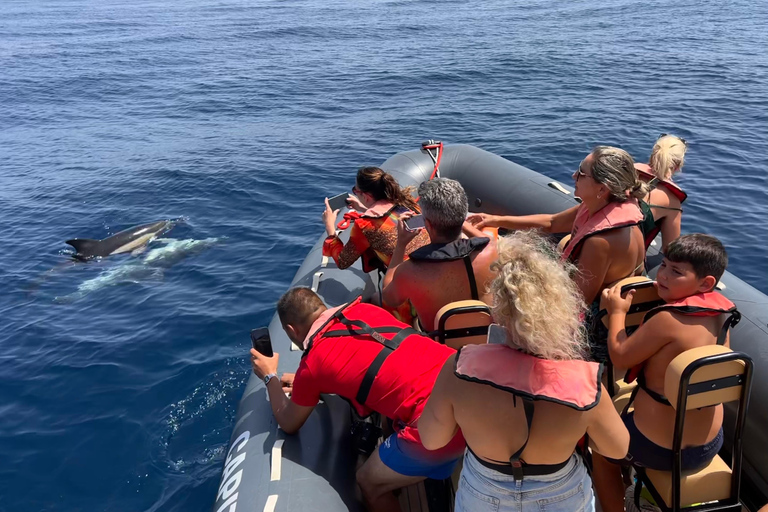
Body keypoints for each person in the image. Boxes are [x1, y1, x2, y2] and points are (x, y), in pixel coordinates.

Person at [417, 231, 629, 512]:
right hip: (560, 494)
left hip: (484, 491)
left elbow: (432, 440)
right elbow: (617, 449)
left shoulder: (459, 367)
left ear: (499, 308)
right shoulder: (585, 381)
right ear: (562, 308)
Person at [249, 287, 465, 512]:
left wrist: (269, 376)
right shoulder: (365, 310)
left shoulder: (313, 364)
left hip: (438, 429)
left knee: (368, 482)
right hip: (466, 393)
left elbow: (288, 422)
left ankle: (390, 480)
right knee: (389, 418)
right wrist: (309, 385)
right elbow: (368, 362)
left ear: (292, 330)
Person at [592, 234, 738, 512]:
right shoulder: (722, 315)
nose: (663, 275)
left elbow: (620, 355)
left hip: (657, 450)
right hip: (709, 445)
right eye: (664, 266)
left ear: (706, 283)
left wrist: (618, 313)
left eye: (677, 272)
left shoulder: (666, 320)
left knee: (600, 450)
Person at [467, 146, 647, 360]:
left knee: (501, 291)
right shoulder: (600, 208)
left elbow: (576, 303)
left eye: (581, 172)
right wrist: (495, 220)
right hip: (596, 307)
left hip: (594, 330)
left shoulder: (601, 241)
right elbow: (552, 222)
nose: (574, 176)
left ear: (602, 189)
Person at [381, 178, 498, 333]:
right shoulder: (491, 252)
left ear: (427, 224)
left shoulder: (410, 271)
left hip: (439, 343)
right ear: (463, 215)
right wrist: (458, 220)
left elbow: (389, 298)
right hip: (484, 336)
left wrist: (401, 244)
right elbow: (486, 241)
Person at [322, 166, 430, 273]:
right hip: (433, 264)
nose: (355, 193)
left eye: (355, 191)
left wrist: (330, 228)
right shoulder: (406, 201)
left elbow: (343, 261)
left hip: (410, 279)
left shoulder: (365, 225)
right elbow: (390, 215)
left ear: (366, 196)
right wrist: (364, 208)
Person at [635, 134, 688, 252]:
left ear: (652, 156)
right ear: (678, 166)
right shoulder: (672, 200)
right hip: (623, 264)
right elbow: (669, 248)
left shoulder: (629, 170)